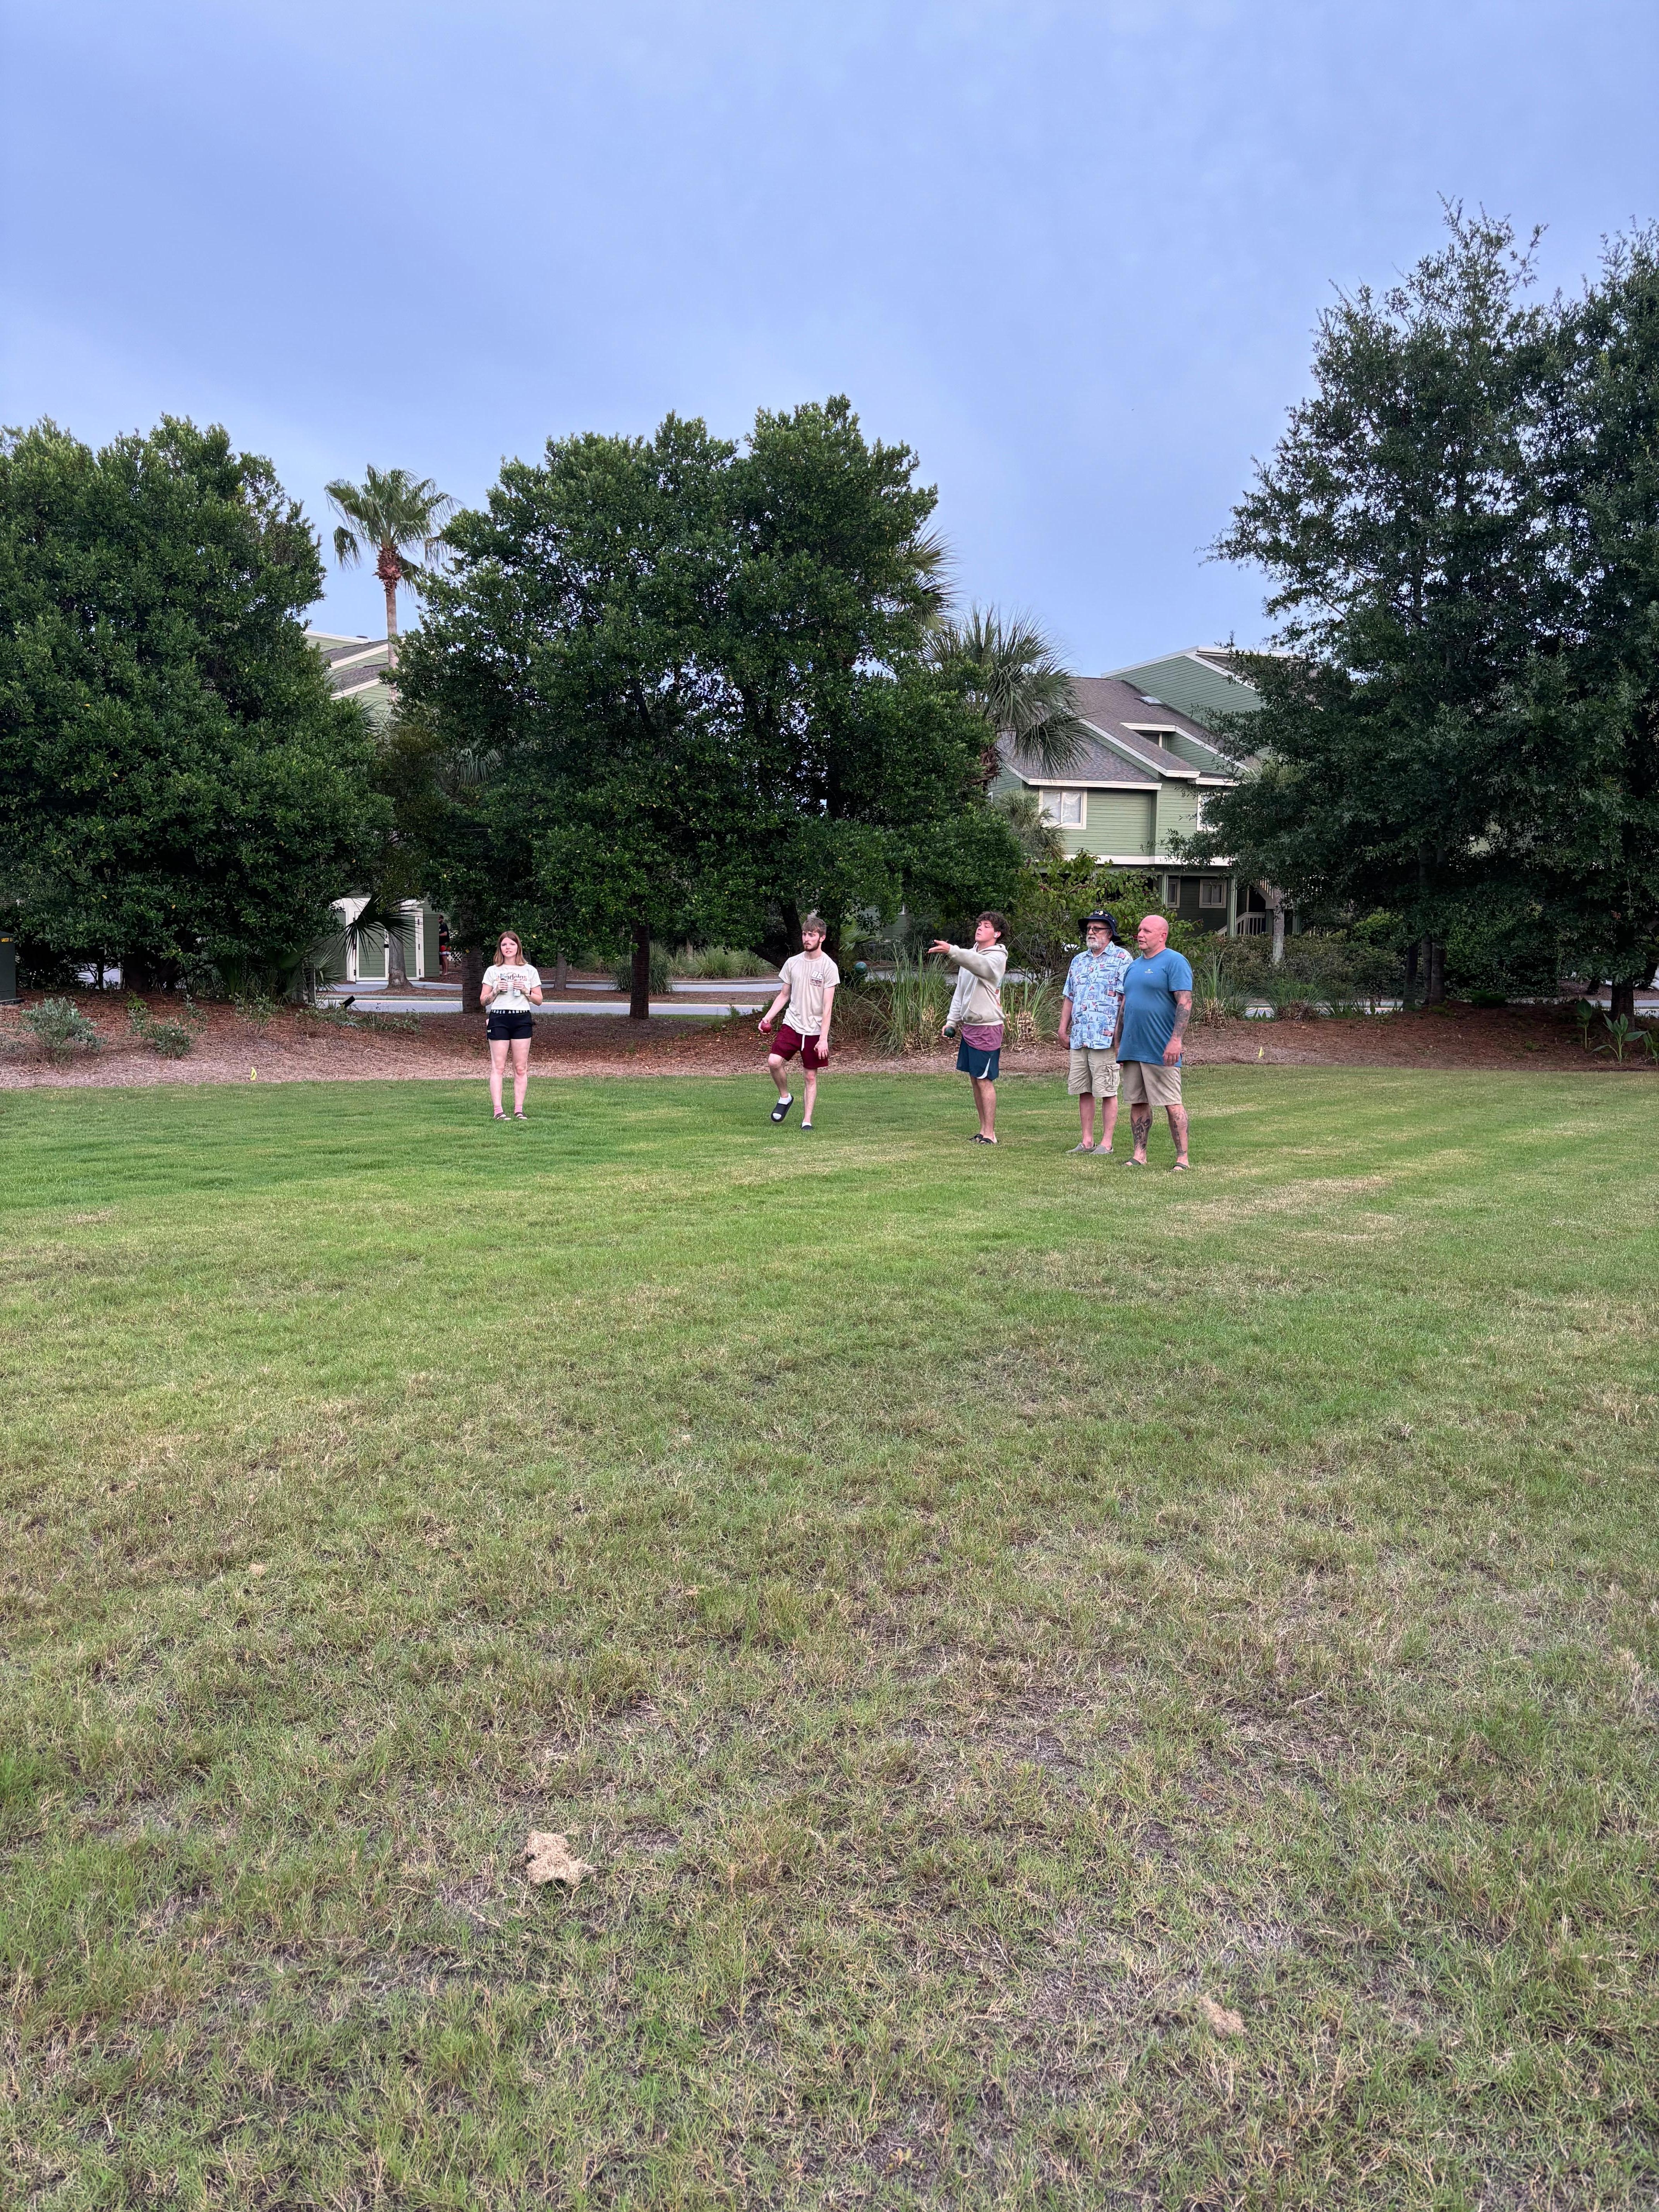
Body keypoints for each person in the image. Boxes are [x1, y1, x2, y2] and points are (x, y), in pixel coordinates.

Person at [1112, 912, 1192, 1169]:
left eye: (1147, 931)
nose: (1140, 935)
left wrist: (1176, 1041)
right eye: (1139, 930)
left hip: (1161, 1048)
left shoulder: (1175, 962)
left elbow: (1185, 1002)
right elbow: (1125, 1007)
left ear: (1163, 936)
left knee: (1172, 1103)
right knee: (1137, 1102)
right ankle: (1139, 1155)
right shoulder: (1133, 967)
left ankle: (1183, 1158)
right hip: (1134, 1048)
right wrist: (1119, 1041)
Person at [1058, 910, 1132, 1154]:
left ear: (1110, 933)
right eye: (1089, 928)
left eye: (1098, 929)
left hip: (1106, 1038)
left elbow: (1125, 1001)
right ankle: (1087, 1141)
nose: (1091, 932)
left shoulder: (1122, 958)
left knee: (1107, 1090)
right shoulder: (1078, 961)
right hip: (1080, 1037)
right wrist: (1062, 1030)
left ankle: (1107, 1143)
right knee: (1084, 1090)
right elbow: (1070, 996)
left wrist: (1120, 1040)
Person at [931, 912, 1008, 1144]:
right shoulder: (970, 956)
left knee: (985, 1079)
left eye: (986, 926)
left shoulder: (996, 958)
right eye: (979, 925)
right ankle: (983, 1130)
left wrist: (953, 951)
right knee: (975, 1079)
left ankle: (991, 1135)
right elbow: (961, 992)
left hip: (988, 1027)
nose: (980, 929)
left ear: (997, 934)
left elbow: (981, 966)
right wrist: (951, 1021)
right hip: (970, 1028)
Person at [759, 915, 838, 1127]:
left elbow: (828, 1007)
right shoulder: (792, 963)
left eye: (812, 935)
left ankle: (807, 1121)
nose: (807, 939)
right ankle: (785, 1097)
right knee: (774, 1062)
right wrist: (768, 1017)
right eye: (805, 934)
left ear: (822, 938)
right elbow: (784, 995)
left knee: (810, 1077)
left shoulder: (829, 967)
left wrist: (823, 1039)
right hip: (792, 1024)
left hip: (814, 1031)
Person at [480, 931, 543, 1121]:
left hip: (522, 1019)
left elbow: (539, 1001)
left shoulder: (529, 971)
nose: (508, 948)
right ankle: (498, 1111)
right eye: (504, 945)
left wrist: (526, 991)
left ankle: (519, 1110)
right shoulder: (493, 971)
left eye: (512, 944)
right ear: (500, 948)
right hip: (499, 1018)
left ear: (518, 947)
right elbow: (484, 1001)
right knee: (498, 1067)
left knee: (521, 1067)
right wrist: (496, 991)